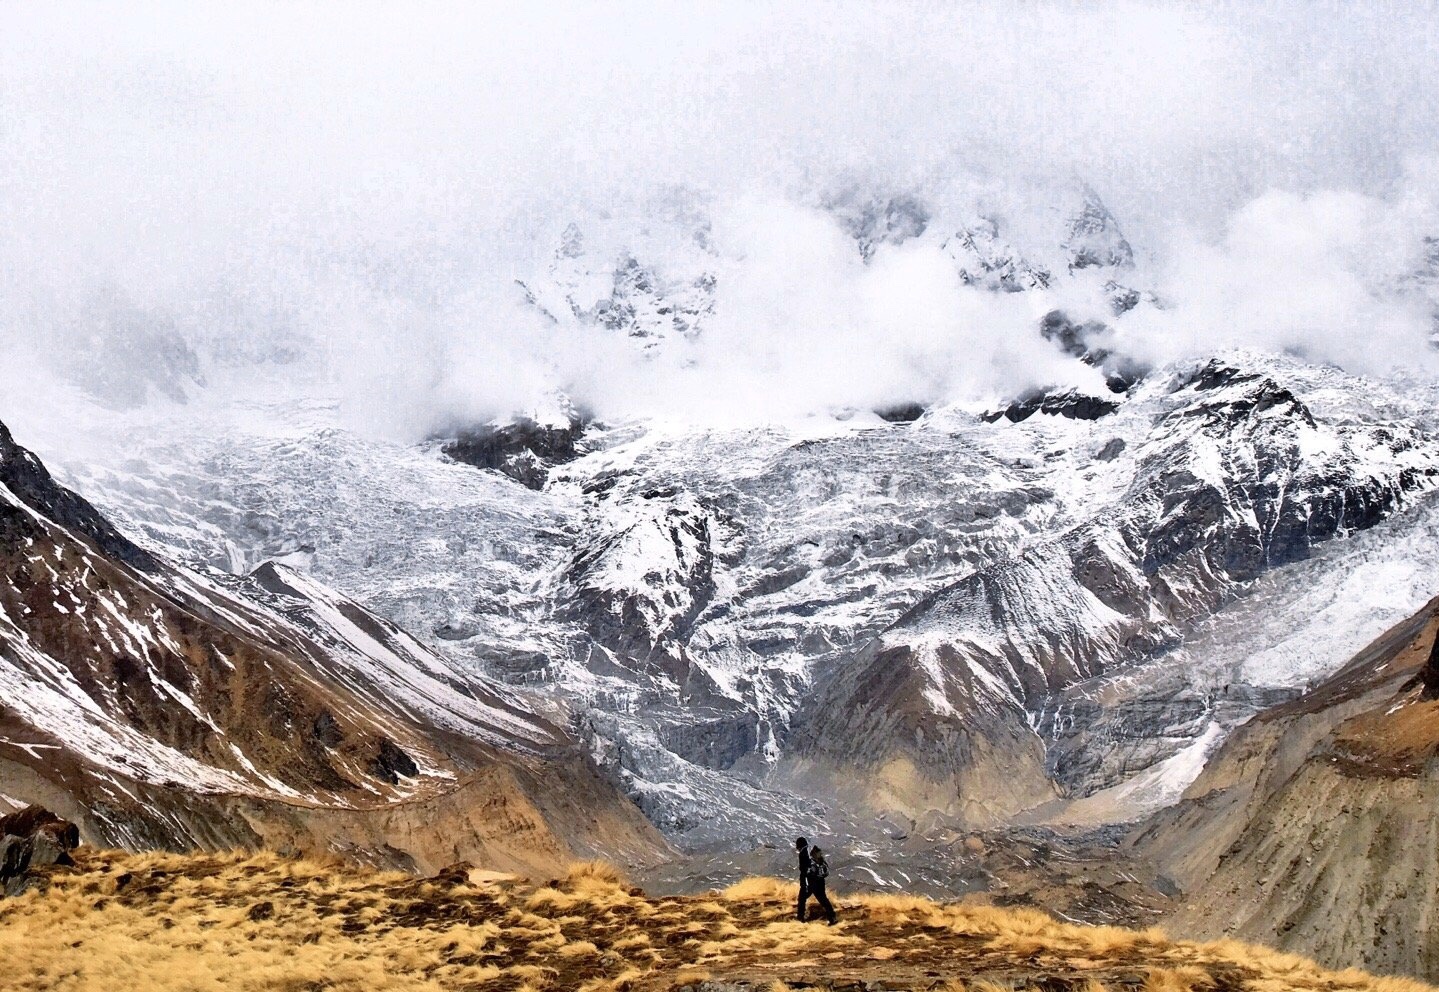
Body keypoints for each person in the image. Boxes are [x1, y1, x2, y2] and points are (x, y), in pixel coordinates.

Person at [805, 846, 838, 925]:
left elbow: (826, 871)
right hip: (813, 883)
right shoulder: (812, 862)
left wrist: (820, 876)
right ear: (815, 854)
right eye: (819, 853)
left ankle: (832, 918)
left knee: (824, 901)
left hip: (818, 883)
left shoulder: (821, 862)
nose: (820, 854)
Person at [794, 837, 811, 921]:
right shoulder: (808, 852)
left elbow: (804, 869)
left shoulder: (803, 853)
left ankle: (800, 917)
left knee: (801, 899)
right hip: (812, 880)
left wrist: (805, 883)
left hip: (806, 880)